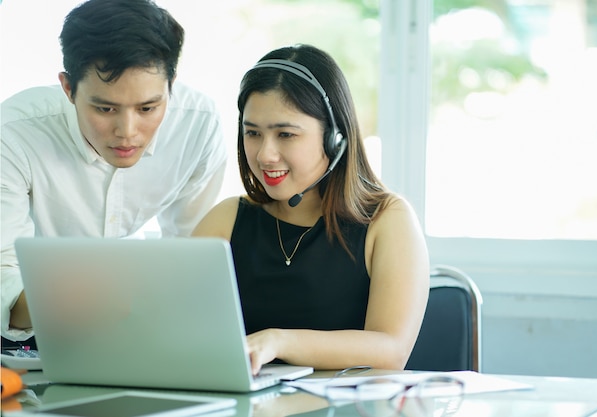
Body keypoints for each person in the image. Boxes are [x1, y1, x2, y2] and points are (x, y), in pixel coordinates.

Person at [192, 44, 429, 374]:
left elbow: (390, 350)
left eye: (286, 134)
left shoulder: (388, 220)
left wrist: (279, 342)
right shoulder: (227, 219)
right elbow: (173, 329)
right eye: (252, 133)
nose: (265, 154)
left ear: (335, 138)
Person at [1, 0, 227, 343]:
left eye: (148, 108)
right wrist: (104, 296)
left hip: (137, 332)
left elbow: (189, 254)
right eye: (105, 108)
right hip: (28, 331)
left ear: (171, 85)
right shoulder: (15, 134)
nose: (127, 131)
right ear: (68, 89)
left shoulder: (199, 127)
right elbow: (5, 284)